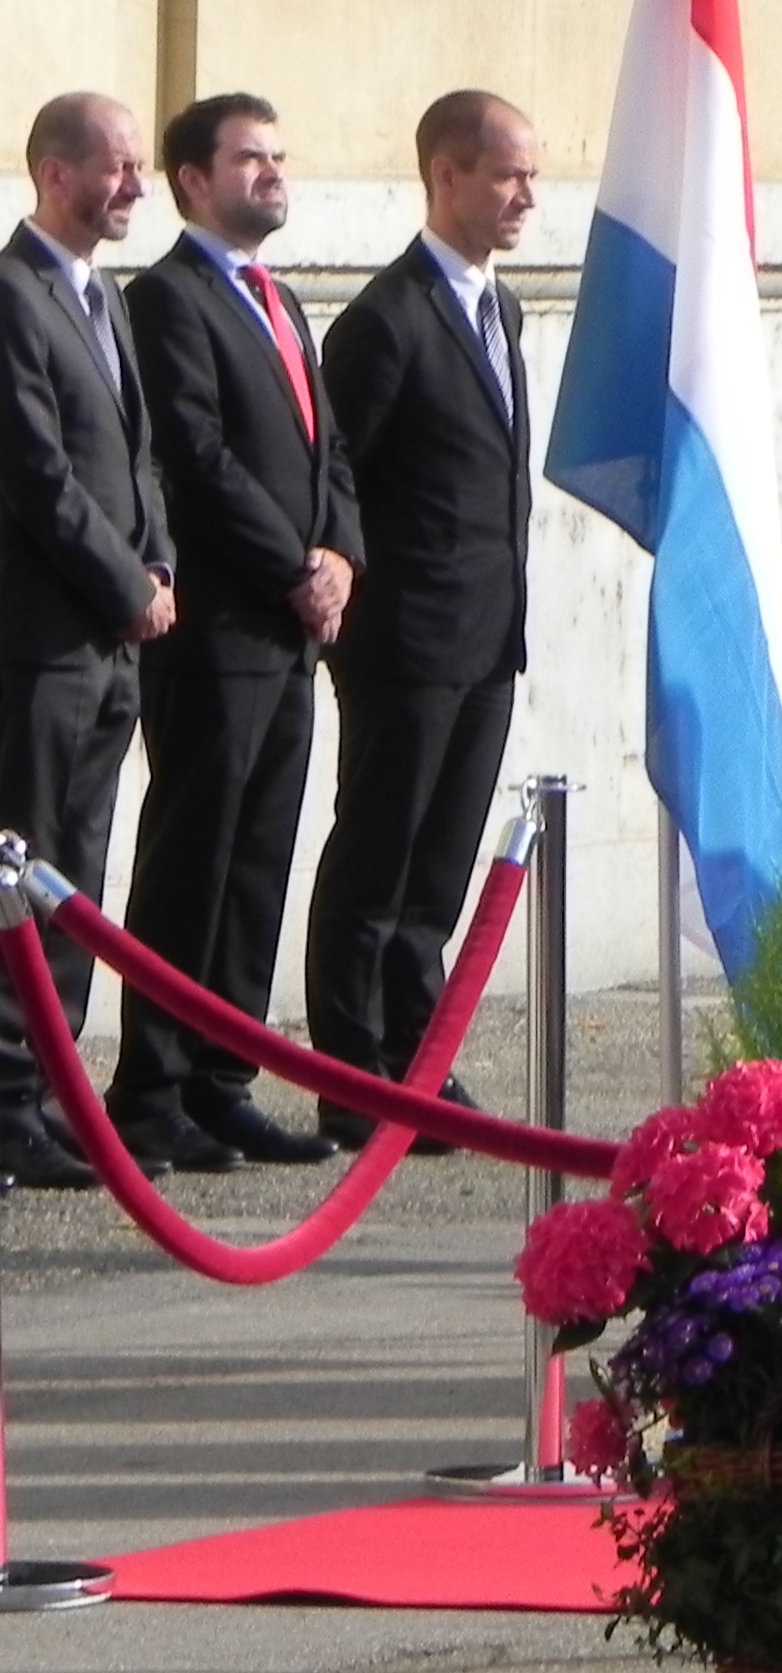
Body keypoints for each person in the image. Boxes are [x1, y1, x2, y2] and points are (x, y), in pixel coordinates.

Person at [113, 92, 362, 1170]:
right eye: (247, 158)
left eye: (278, 154)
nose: (271, 173)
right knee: (193, 859)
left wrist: (342, 554)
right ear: (192, 181)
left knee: (260, 863)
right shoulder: (168, 301)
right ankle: (153, 1088)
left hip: (294, 631)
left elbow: (329, 452)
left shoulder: (282, 300)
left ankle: (225, 1077)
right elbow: (199, 459)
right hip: (218, 628)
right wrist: (290, 567)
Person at [304, 91, 537, 1148]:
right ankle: (354, 1075)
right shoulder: (389, 318)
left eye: (530, 175)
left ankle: (418, 1060)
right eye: (506, 175)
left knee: (439, 871)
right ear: (447, 177)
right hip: (405, 639)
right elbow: (334, 467)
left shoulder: (503, 307)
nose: (526, 195)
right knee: (378, 857)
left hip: (487, 637)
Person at [0, 94, 175, 1192]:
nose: (135, 188)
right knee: (27, 866)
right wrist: (123, 584)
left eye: (140, 166)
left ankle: (56, 1094)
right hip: (44, 642)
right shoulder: (12, 298)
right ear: (54, 174)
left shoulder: (103, 298)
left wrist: (158, 568)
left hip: (117, 636)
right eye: (116, 168)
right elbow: (34, 473)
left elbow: (138, 459)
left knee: (76, 877)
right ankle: (8, 1097)